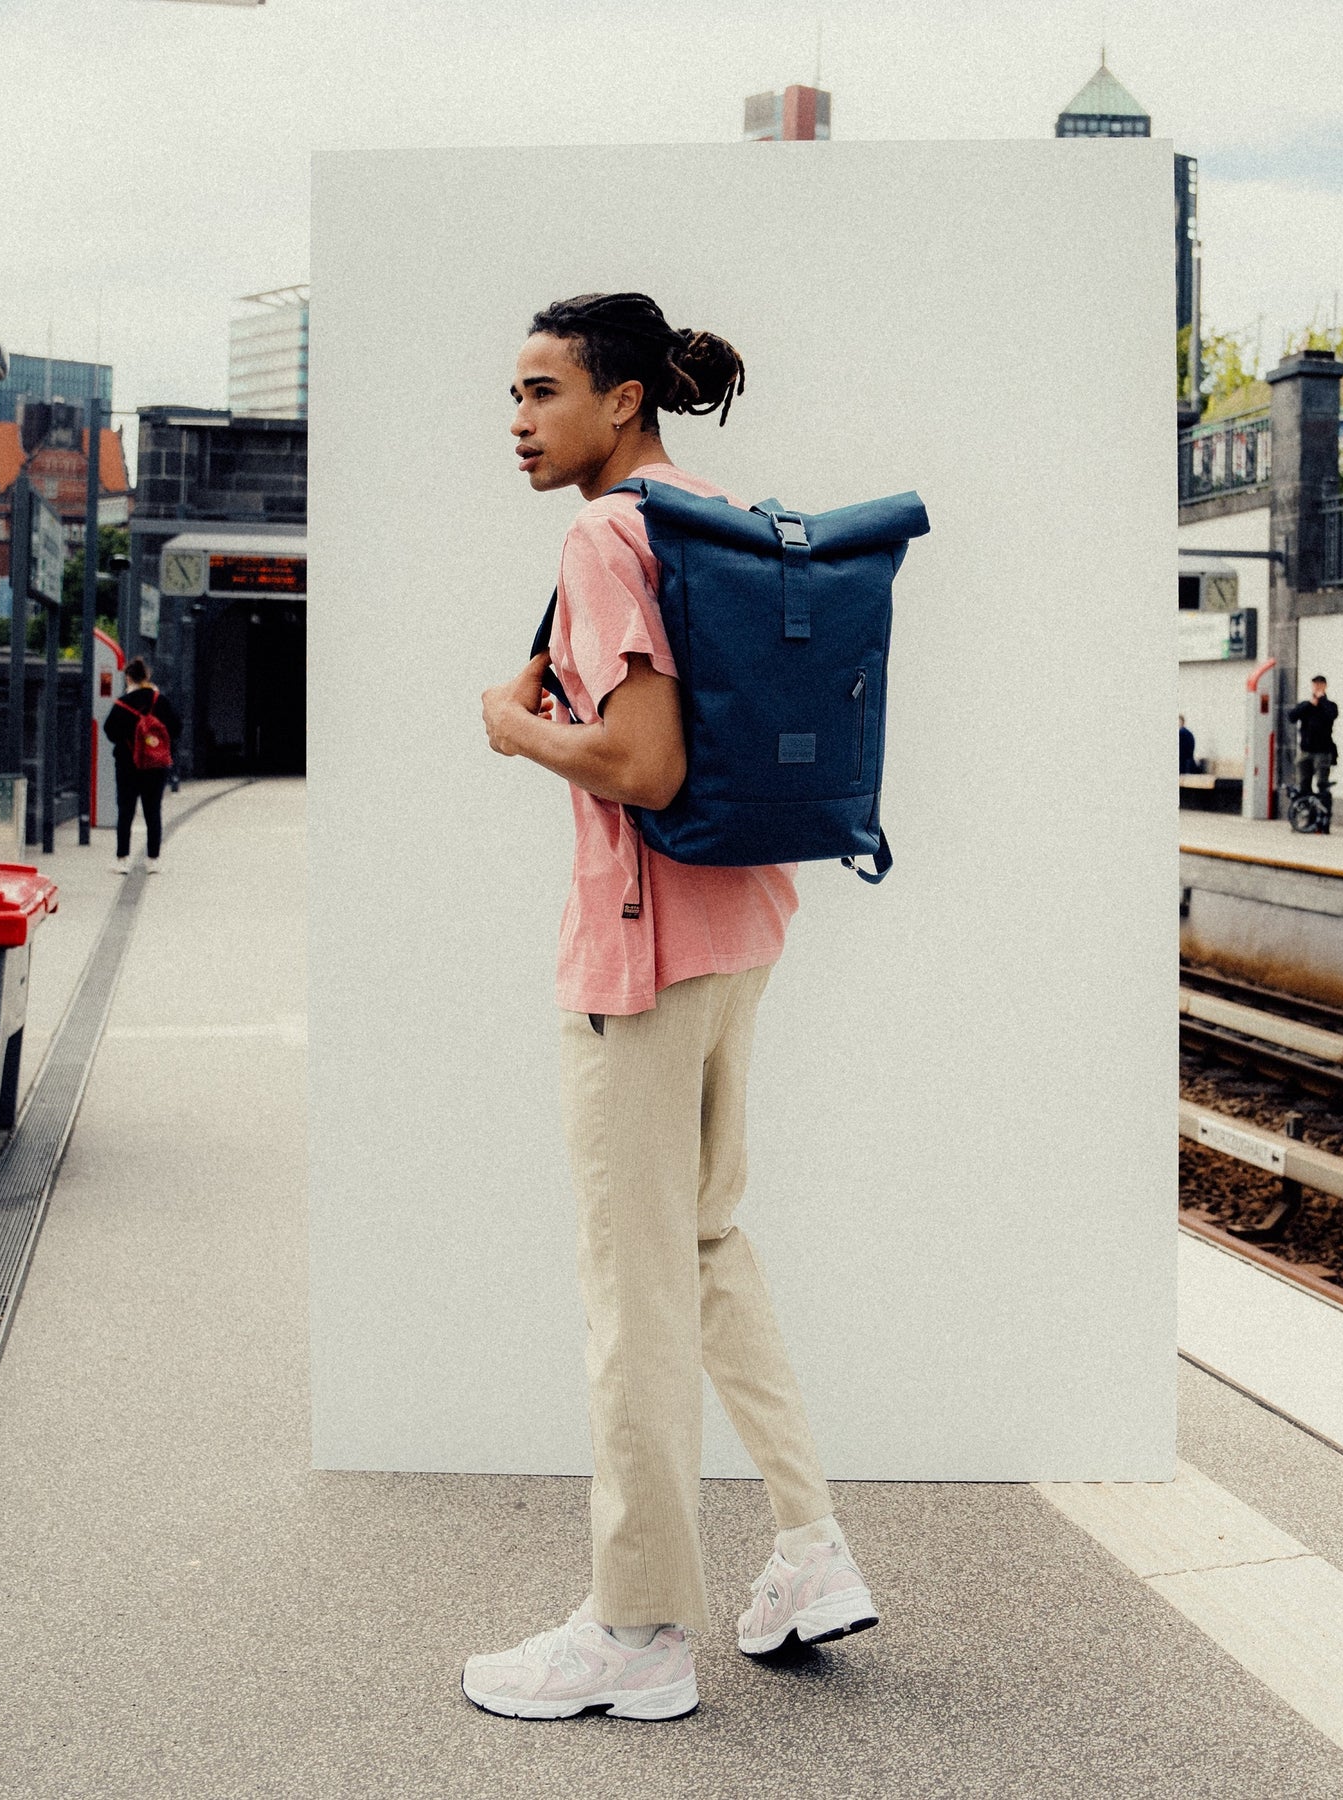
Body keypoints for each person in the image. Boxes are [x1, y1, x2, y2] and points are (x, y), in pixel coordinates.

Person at [462, 292, 876, 1723]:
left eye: (542, 393)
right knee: (705, 1242)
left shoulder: (601, 536)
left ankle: (635, 1632)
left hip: (638, 957)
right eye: (513, 397)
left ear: (624, 401)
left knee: (633, 1290)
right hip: (740, 925)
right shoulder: (712, 509)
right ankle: (811, 1550)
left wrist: (517, 730)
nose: (518, 423)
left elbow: (639, 764)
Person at [103, 657, 180, 871]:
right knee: (153, 810)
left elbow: (110, 731)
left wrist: (129, 740)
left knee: (126, 811)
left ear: (128, 677)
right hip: (156, 766)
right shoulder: (159, 700)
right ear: (147, 676)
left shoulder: (122, 704)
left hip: (128, 765)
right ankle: (153, 859)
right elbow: (176, 728)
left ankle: (122, 859)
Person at [1287, 674, 1338, 830]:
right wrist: (1309, 704)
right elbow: (1292, 716)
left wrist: (1321, 700)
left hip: (1322, 752)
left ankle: (1324, 820)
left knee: (1323, 785)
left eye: (1320, 684)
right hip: (1306, 751)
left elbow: (1332, 715)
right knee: (1303, 785)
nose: (1317, 687)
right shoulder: (1306, 706)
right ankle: (1306, 817)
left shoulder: (1329, 705)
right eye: (1315, 684)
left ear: (1325, 686)